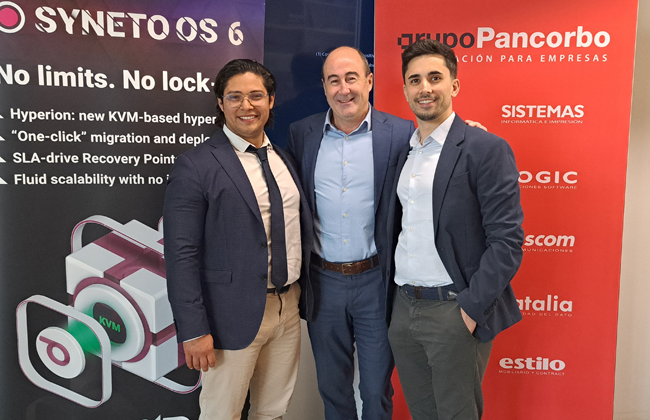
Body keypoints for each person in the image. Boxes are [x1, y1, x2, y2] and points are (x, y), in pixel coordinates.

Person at [163, 59, 314, 420]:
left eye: (256, 96)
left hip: (287, 307)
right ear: (221, 103)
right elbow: (181, 254)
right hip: (227, 316)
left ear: (271, 101)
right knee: (222, 414)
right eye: (235, 97)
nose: (247, 106)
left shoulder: (285, 159)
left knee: (273, 411)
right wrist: (193, 330)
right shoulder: (196, 165)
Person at [386, 39, 524, 420]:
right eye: (415, 80)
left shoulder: (484, 148)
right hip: (404, 309)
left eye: (435, 77)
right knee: (423, 413)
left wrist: (470, 310)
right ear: (405, 90)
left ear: (455, 85)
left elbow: (507, 241)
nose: (425, 88)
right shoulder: (404, 150)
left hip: (454, 311)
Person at [286, 46, 414, 420]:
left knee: (375, 391)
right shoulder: (302, 133)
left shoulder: (401, 133)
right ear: (324, 87)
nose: (344, 89)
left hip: (376, 282)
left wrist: (470, 137)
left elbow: (435, 164)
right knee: (333, 389)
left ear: (369, 81)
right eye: (334, 81)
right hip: (323, 281)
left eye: (352, 78)